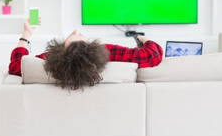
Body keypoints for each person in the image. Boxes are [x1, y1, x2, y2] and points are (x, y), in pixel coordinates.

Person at [9, 20, 163, 90]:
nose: (76, 31)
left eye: (73, 35)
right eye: (80, 35)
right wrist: (143, 39)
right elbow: (151, 55)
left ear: (59, 53)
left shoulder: (47, 61)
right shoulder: (109, 52)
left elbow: (17, 65)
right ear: (92, 49)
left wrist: (26, 34)